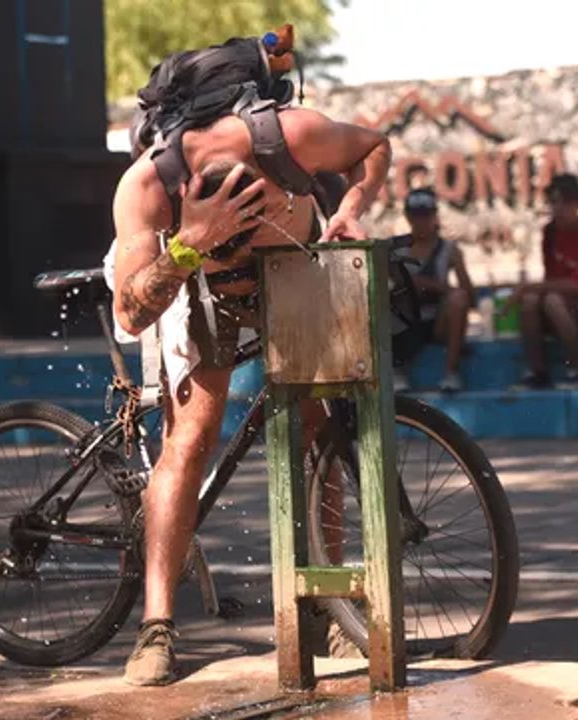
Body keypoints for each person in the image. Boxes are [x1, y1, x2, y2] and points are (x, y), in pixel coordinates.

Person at [106, 29, 391, 686]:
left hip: (290, 269)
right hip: (195, 284)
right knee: (192, 438)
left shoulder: (292, 135)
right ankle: (156, 626)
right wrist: (190, 243)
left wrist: (351, 207)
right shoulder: (148, 185)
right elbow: (130, 314)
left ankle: (327, 602)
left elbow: (373, 146)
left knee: (322, 424)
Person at [510, 173, 578, 389]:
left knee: (551, 300)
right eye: (553, 202)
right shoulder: (550, 233)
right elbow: (552, 278)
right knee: (531, 301)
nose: (558, 209)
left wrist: (528, 287)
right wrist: (529, 293)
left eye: (565, 203)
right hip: (563, 307)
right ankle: (537, 371)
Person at [390, 188, 475, 393]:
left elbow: (469, 296)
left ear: (434, 216)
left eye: (426, 216)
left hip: (438, 321)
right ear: (408, 217)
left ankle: (451, 373)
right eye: (416, 216)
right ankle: (396, 371)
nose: (421, 222)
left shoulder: (449, 250)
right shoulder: (395, 249)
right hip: (406, 322)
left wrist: (435, 286)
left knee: (458, 299)